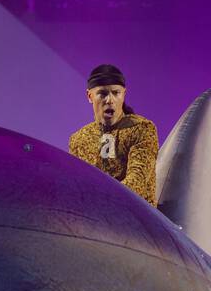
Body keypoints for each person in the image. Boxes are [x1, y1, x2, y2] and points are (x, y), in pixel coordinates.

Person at [68, 64, 159, 207]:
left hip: (137, 220)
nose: (109, 100)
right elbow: (76, 185)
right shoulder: (79, 139)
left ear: (124, 94)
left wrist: (99, 201)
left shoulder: (141, 128)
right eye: (102, 94)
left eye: (116, 93)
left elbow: (137, 181)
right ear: (89, 96)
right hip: (93, 221)